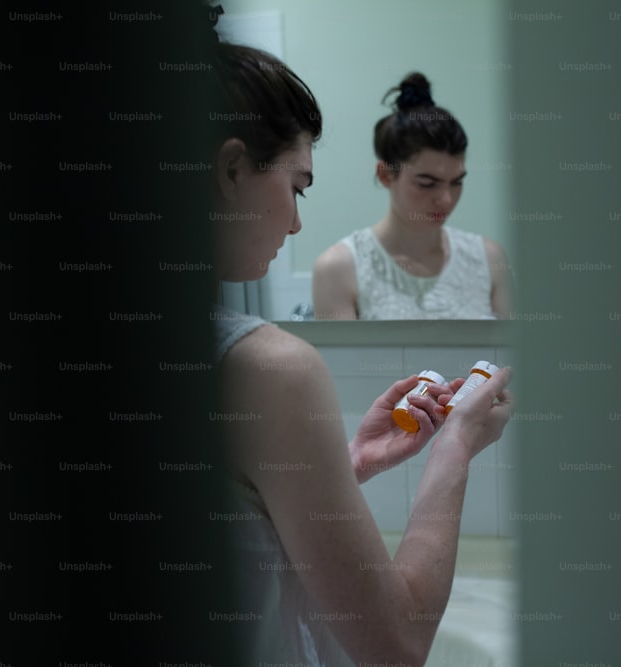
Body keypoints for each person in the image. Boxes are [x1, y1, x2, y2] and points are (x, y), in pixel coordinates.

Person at [209, 30, 514, 667]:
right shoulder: (270, 368)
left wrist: (342, 465)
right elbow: (396, 646)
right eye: (297, 187)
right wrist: (455, 446)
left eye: (458, 183)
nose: (296, 220)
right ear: (231, 169)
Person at [311, 72, 514, 320]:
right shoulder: (339, 268)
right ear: (386, 175)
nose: (446, 199)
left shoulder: (489, 259)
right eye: (427, 184)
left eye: (457, 182)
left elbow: (513, 357)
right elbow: (342, 360)